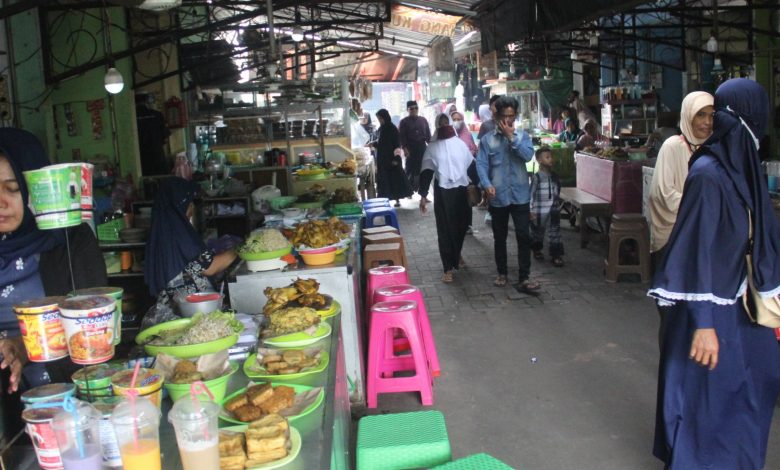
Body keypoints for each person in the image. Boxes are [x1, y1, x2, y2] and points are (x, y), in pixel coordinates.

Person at [648, 78, 780, 470]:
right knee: (710, 398)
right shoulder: (709, 174)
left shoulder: (739, 167)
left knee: (754, 385)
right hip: (711, 308)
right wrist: (704, 324)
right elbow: (696, 249)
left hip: (739, 302)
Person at [0, 128, 107, 437]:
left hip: (69, 398)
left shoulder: (69, 241)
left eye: (12, 188)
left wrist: (22, 346)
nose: (1, 202)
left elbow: (94, 321)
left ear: (34, 188)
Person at [142, 177, 237, 328]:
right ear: (182, 203)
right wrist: (240, 249)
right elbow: (209, 266)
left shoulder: (161, 228)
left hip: (173, 308)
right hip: (190, 311)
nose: (192, 207)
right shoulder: (178, 231)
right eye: (190, 201)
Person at [476, 96, 540, 292]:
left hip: (520, 195)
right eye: (504, 116)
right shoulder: (487, 140)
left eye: (512, 116)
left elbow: (528, 156)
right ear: (497, 116)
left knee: (523, 235)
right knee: (500, 236)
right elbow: (481, 163)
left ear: (516, 116)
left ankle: (524, 277)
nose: (508, 120)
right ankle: (502, 272)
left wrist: (511, 138)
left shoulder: (523, 137)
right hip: (499, 196)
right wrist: (486, 185)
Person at [648, 91, 714, 262]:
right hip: (675, 237)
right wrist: (701, 206)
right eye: (700, 115)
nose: (707, 122)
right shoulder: (673, 147)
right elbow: (662, 193)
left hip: (707, 236)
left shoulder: (715, 148)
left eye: (711, 115)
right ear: (688, 116)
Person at [419, 114, 477, 283]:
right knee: (444, 229)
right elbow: (427, 171)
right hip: (443, 192)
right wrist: (423, 196)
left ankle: (457, 254)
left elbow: (471, 166)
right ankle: (447, 268)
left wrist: (481, 187)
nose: (444, 125)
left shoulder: (460, 144)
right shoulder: (432, 147)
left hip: (461, 191)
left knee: (461, 226)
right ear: (437, 126)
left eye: (446, 123)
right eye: (441, 123)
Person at [530, 147, 564, 267]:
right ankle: (536, 250)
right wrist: (530, 209)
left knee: (555, 233)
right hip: (539, 211)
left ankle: (556, 255)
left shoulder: (555, 176)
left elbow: (557, 192)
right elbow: (531, 194)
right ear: (539, 160)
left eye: (551, 157)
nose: (551, 159)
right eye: (547, 157)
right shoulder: (536, 177)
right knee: (538, 232)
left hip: (553, 210)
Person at [373, 109, 412, 207]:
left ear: (385, 117)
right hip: (383, 159)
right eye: (379, 119)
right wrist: (374, 144)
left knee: (395, 180)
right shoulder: (381, 129)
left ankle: (397, 200)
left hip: (391, 159)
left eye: (381, 118)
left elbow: (397, 145)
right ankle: (385, 200)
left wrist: (396, 159)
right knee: (385, 180)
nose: (380, 121)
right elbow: (382, 144)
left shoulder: (392, 129)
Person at [398, 100, 431, 194]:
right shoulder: (404, 122)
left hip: (422, 148)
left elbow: (428, 136)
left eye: (416, 108)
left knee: (424, 170)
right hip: (410, 149)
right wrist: (405, 149)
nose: (414, 110)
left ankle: (423, 194)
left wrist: (431, 148)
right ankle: (408, 192)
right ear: (407, 110)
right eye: (411, 108)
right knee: (409, 170)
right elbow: (402, 137)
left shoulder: (423, 120)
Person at [135, 93, 171, 176]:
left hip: (140, 158)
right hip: (157, 155)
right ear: (146, 101)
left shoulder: (132, 117)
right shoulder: (157, 115)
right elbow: (165, 137)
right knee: (160, 181)